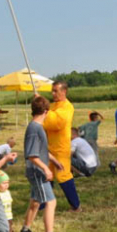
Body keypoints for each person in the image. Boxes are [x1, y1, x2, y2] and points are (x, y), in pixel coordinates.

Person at [21, 95, 62, 232]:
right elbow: (32, 155)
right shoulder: (34, 129)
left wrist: (54, 161)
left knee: (36, 201)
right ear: (46, 111)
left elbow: (42, 150)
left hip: (38, 170)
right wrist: (46, 168)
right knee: (51, 201)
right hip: (37, 172)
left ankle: (26, 228)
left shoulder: (38, 128)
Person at [42, 81, 80, 212]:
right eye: (52, 91)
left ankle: (75, 205)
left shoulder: (67, 107)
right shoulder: (52, 105)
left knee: (63, 175)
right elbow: (43, 122)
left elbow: (56, 123)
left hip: (61, 148)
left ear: (64, 91)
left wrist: (44, 111)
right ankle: (42, 204)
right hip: (49, 147)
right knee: (47, 174)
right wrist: (41, 106)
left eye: (55, 91)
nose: (52, 94)